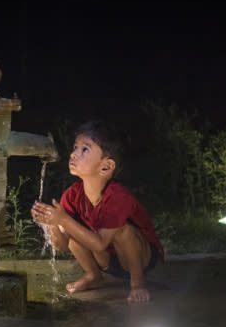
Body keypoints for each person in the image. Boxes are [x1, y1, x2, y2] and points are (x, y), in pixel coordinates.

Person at [31, 120, 164, 303]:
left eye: (84, 149)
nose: (73, 154)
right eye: (75, 147)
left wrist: (64, 220)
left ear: (106, 167)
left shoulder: (117, 197)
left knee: (124, 230)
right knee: (70, 226)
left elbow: (100, 243)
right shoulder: (71, 196)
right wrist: (53, 223)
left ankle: (137, 282)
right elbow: (61, 246)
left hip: (139, 258)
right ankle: (93, 276)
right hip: (106, 260)